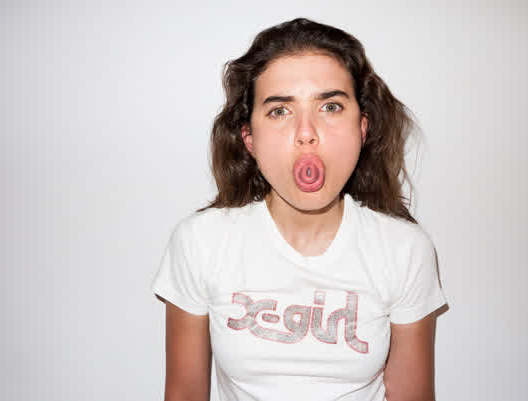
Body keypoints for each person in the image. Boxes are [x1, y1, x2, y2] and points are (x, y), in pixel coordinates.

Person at [151, 17, 447, 401]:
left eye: (330, 106)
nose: (307, 133)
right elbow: (185, 394)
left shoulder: (405, 249)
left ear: (362, 128)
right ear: (249, 138)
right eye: (280, 111)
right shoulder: (200, 242)